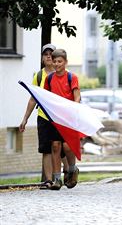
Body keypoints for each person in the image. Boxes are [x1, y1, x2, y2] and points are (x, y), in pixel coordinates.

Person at [19, 44, 56, 189]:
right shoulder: (39, 76)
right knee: (46, 149)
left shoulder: (62, 74)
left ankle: (66, 174)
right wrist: (25, 119)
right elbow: (32, 98)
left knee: (60, 147)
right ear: (42, 58)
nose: (48, 56)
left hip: (59, 117)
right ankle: (48, 180)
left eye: (51, 53)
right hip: (43, 116)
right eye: (45, 54)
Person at [43, 48, 80, 190]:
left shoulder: (72, 77)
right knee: (55, 146)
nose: (57, 64)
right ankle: (57, 179)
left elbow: (77, 95)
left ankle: (72, 169)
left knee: (67, 146)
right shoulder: (49, 78)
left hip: (69, 117)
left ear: (65, 62)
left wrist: (74, 108)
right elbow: (46, 96)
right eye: (55, 61)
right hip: (55, 117)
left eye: (60, 61)